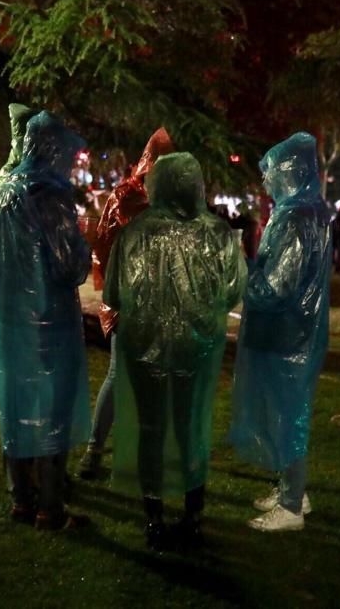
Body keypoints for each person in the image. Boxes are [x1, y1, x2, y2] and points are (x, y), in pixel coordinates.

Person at [106, 151, 245, 549]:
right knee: (190, 427)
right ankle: (193, 515)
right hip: (195, 347)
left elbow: (114, 292)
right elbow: (234, 290)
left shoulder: (134, 232)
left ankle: (153, 519)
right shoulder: (217, 233)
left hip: (143, 345)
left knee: (151, 428)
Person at [0, 111, 91, 530]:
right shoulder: (50, 192)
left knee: (16, 404)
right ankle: (51, 507)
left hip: (8, 320)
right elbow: (69, 265)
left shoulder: (4, 187)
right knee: (52, 409)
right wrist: (84, 246)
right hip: (47, 322)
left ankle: (21, 498)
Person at [228, 132, 331, 533]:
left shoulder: (295, 217)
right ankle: (292, 488)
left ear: (290, 172)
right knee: (289, 413)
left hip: (285, 335)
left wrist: (241, 273)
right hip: (295, 332)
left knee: (288, 415)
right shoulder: (309, 212)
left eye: (270, 173)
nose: (265, 181)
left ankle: (290, 505)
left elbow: (279, 285)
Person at [78, 127, 174, 480]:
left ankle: (146, 452)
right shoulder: (125, 196)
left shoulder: (168, 200)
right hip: (129, 299)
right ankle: (94, 450)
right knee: (120, 375)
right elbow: (104, 247)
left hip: (159, 303)